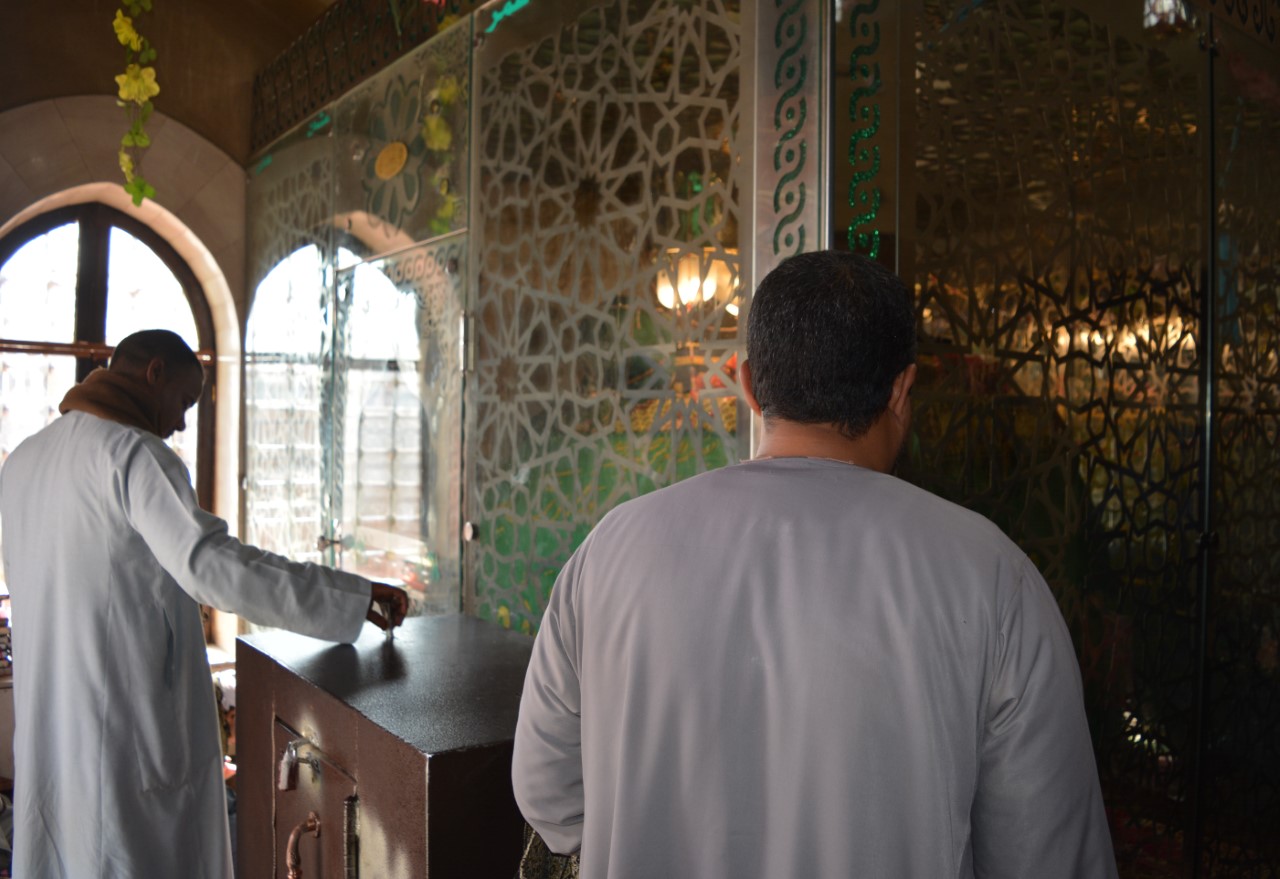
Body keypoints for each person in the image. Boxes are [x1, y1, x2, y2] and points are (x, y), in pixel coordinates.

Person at [512, 251, 1117, 878]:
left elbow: (549, 798)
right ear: (902, 391)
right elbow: (1046, 854)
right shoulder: (992, 578)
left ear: (749, 386)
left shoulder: (610, 551)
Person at [0, 329, 408, 879]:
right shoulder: (134, 455)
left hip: (51, 742)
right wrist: (351, 596)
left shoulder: (23, 462)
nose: (182, 423)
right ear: (154, 374)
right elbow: (213, 566)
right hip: (123, 750)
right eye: (185, 402)